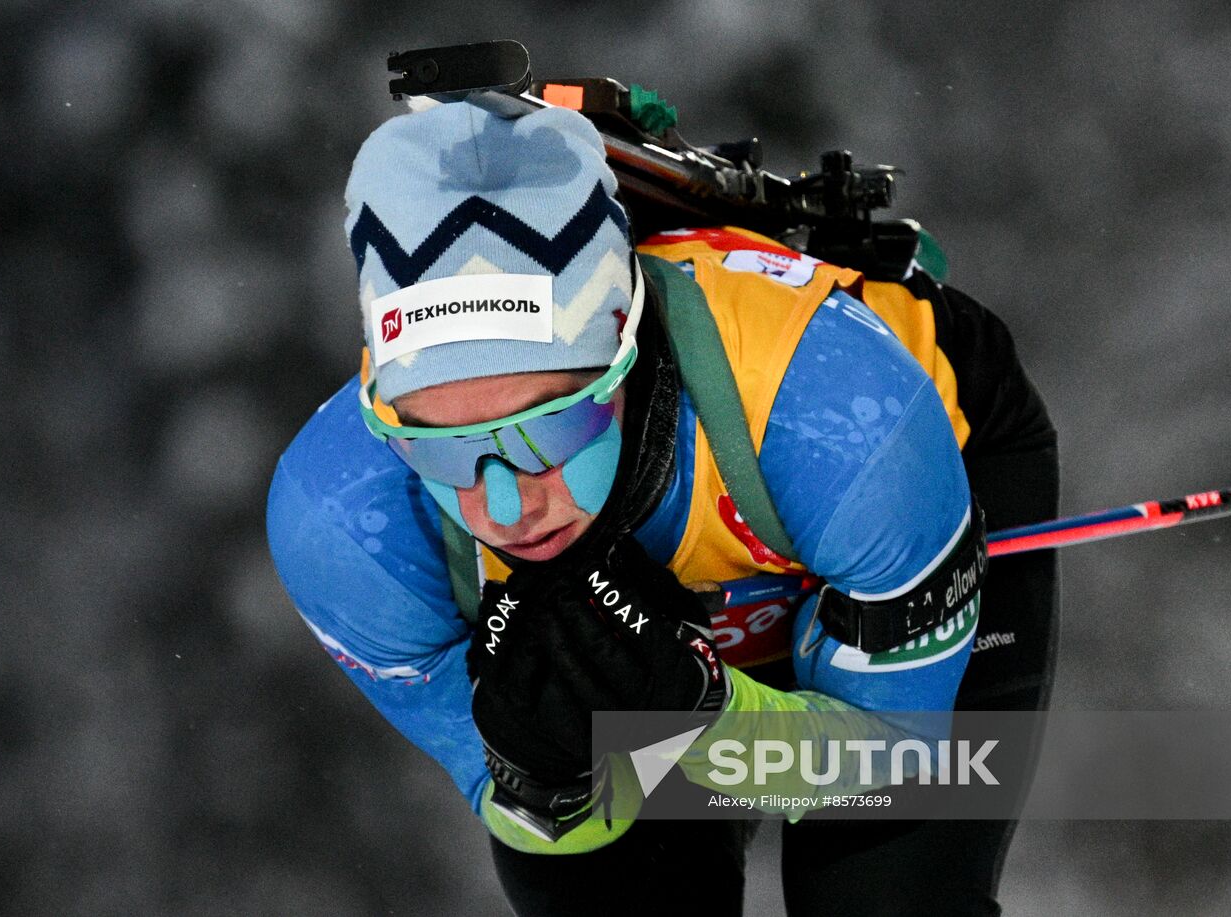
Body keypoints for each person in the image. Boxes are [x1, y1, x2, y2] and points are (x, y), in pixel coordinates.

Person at [267, 101, 1058, 916]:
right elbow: (535, 818)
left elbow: (893, 761)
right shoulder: (344, 525)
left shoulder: (843, 418)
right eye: (437, 446)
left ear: (626, 354)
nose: (505, 506)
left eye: (552, 426)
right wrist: (547, 772)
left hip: (896, 469)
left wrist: (699, 719)